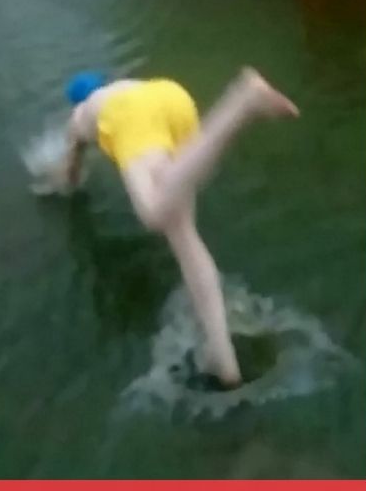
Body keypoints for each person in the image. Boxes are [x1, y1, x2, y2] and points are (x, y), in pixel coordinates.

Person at [62, 68, 299, 388]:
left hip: (131, 118)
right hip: (172, 98)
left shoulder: (82, 114)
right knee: (184, 236)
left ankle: (242, 102)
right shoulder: (127, 87)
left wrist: (67, 187)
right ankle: (223, 360)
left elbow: (71, 168)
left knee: (154, 214)